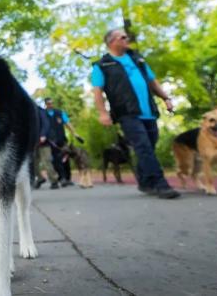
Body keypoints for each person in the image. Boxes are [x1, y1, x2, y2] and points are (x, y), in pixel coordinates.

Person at [91, 29, 180, 199]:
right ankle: (161, 185)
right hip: (127, 113)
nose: (127, 39)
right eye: (123, 37)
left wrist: (165, 98)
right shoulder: (102, 65)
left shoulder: (137, 59)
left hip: (148, 111)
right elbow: (97, 92)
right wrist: (103, 113)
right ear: (112, 42)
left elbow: (152, 81)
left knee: (149, 146)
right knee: (143, 147)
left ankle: (145, 182)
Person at [42, 97, 84, 186]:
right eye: (49, 103)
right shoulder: (43, 114)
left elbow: (68, 124)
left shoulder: (60, 113)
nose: (51, 105)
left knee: (65, 159)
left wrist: (75, 134)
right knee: (55, 161)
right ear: (45, 104)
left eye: (52, 103)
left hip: (62, 140)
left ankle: (67, 178)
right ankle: (61, 178)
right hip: (50, 142)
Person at [35, 106, 61, 189]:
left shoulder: (40, 111)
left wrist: (43, 135)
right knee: (32, 163)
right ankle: (40, 178)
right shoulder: (26, 112)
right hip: (33, 142)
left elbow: (46, 123)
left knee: (46, 161)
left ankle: (54, 181)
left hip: (44, 142)